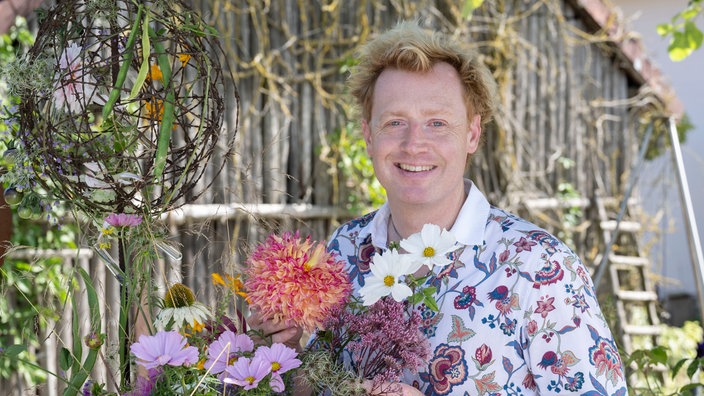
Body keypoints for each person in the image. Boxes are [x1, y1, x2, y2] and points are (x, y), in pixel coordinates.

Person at [252, 21, 628, 395]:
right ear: (369, 135)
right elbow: (314, 386)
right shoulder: (343, 251)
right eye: (396, 121)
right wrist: (283, 349)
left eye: (437, 123)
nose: (414, 144)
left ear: (472, 134)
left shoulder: (539, 267)